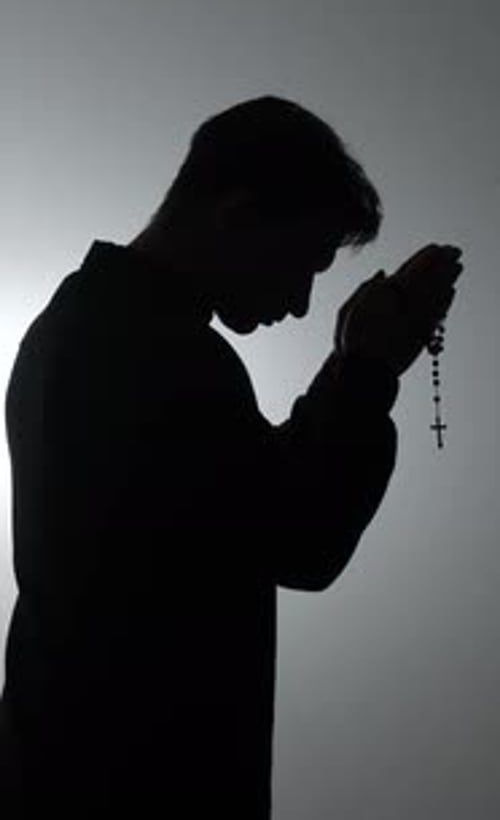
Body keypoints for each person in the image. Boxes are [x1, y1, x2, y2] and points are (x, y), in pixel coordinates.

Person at [0, 96, 463, 818]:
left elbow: (245, 496)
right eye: (302, 263)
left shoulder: (106, 332)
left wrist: (354, 372)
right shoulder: (142, 349)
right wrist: (365, 370)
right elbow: (299, 535)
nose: (304, 303)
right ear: (238, 217)